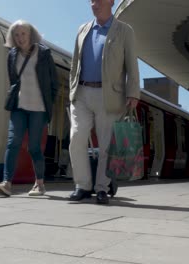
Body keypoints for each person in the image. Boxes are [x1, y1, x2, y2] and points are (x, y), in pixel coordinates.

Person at [68, 0, 140, 204]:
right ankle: (82, 185)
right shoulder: (83, 29)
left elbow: (131, 65)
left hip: (109, 95)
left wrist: (133, 93)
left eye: (99, 0)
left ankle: (101, 188)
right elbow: (75, 63)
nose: (94, 4)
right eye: (91, 0)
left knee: (106, 145)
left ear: (111, 2)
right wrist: (72, 90)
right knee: (77, 138)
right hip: (81, 93)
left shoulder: (124, 31)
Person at [0, 20, 57, 197]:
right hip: (19, 107)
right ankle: (7, 183)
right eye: (16, 34)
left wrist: (48, 104)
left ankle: (40, 184)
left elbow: (53, 83)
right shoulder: (12, 55)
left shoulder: (43, 54)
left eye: (23, 34)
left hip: (38, 108)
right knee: (13, 143)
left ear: (31, 35)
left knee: (34, 147)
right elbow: (14, 81)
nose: (20, 38)